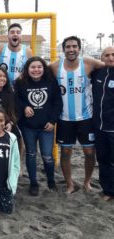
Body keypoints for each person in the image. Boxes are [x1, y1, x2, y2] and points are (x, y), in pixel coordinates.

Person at [49, 36, 104, 193]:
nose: (71, 49)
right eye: (68, 47)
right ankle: (70, 184)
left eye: (74, 46)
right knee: (65, 152)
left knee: (89, 152)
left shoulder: (88, 63)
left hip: (86, 117)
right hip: (64, 118)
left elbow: (108, 66)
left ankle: (87, 182)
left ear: (79, 49)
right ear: (63, 49)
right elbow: (35, 73)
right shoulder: (54, 66)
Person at [15, 56, 63, 196]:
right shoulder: (20, 83)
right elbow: (16, 99)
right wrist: (24, 108)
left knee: (47, 155)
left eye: (39, 67)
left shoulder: (51, 82)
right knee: (31, 154)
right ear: (27, 69)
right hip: (28, 127)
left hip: (46, 127)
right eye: (33, 67)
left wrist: (53, 121)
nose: (36, 70)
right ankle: (33, 183)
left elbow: (57, 103)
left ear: (44, 68)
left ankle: (51, 180)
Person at [91, 46, 114, 201]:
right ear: (102, 58)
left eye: (113, 55)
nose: (111, 58)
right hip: (99, 127)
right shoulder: (98, 73)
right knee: (103, 159)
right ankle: (108, 191)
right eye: (107, 55)